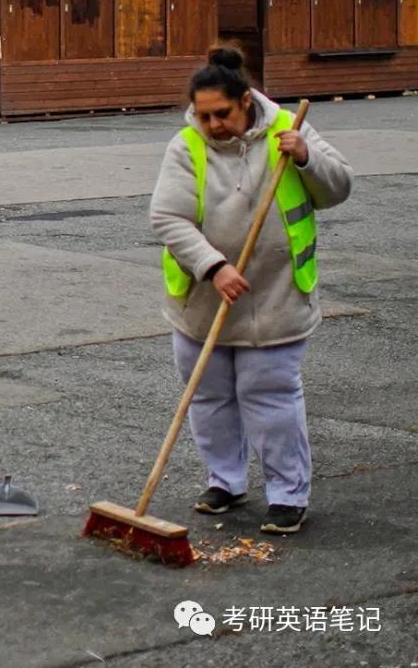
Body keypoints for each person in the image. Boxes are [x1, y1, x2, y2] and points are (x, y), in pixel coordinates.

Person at [150, 46, 352, 534]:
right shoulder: (186, 146)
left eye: (222, 113)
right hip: (203, 300)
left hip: (276, 298)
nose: (213, 125)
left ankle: (288, 495)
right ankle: (225, 481)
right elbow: (168, 217)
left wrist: (306, 158)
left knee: (270, 397)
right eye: (203, 115)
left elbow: (339, 187)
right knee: (208, 396)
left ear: (245, 101)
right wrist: (213, 266)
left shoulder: (288, 127)